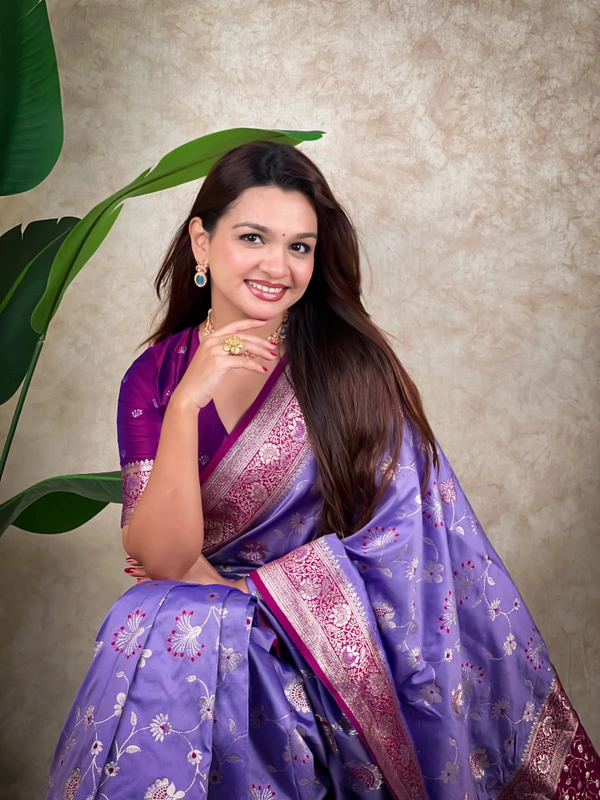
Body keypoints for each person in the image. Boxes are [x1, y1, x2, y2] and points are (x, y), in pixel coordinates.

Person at [45, 141, 599, 800]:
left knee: (169, 618)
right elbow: (163, 558)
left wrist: (255, 601)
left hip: (320, 658)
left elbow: (406, 552)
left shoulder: (351, 372)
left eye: (299, 247)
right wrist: (189, 401)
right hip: (195, 621)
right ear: (201, 241)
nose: (277, 266)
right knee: (162, 614)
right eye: (253, 237)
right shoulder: (156, 377)